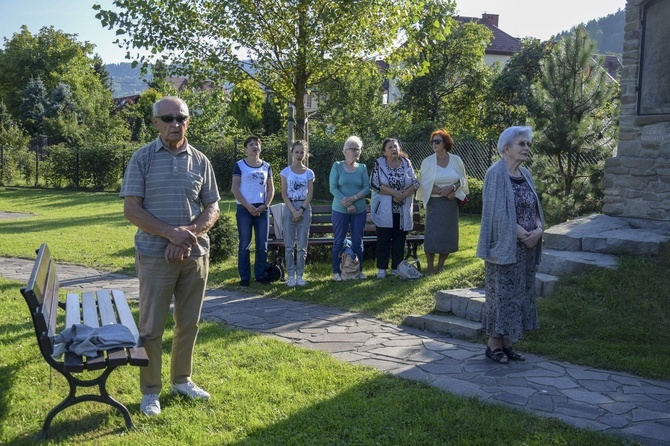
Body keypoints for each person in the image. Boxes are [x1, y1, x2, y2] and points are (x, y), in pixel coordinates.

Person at [120, 96, 221, 416]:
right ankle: (150, 391)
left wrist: (187, 234)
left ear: (188, 121)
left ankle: (182, 379)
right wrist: (169, 233)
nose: (175, 124)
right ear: (155, 123)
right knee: (150, 327)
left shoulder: (201, 161)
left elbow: (212, 207)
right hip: (154, 256)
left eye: (180, 118)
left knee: (188, 324)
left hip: (194, 256)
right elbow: (131, 209)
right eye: (167, 118)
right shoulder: (142, 158)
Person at [476, 125, 545, 364]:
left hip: (526, 247)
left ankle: (507, 343)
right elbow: (494, 214)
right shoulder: (495, 173)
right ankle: (493, 343)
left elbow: (535, 207)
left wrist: (538, 230)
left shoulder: (525, 174)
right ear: (506, 149)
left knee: (518, 295)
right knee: (501, 295)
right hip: (504, 247)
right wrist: (520, 233)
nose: (526, 148)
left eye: (528, 144)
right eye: (521, 144)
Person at [417, 129, 469, 275]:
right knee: (432, 235)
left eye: (437, 141)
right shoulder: (427, 162)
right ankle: (430, 267)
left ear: (445, 143)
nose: (434, 144)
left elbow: (462, 180)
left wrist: (452, 189)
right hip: (434, 203)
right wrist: (443, 192)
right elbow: (424, 184)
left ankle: (440, 266)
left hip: (450, 204)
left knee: (448, 235)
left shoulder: (456, 160)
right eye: (432, 141)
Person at [370, 138, 419, 278]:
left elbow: (415, 183)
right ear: (384, 152)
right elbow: (375, 184)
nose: (393, 149)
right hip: (384, 209)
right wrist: (395, 193)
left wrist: (403, 195)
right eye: (390, 147)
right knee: (383, 239)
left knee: (399, 239)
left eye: (395, 146)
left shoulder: (406, 163)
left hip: (402, 209)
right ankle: (382, 269)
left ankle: (397, 268)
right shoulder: (379, 164)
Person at [231, 135, 275, 287]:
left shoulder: (266, 166)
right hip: (244, 208)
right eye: (251, 144)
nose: (254, 146)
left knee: (262, 244)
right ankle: (244, 277)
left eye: (257, 144)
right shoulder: (240, 165)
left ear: (260, 147)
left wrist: (265, 205)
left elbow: (271, 189)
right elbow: (235, 188)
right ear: (245, 149)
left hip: (262, 209)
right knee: (245, 244)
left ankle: (260, 275)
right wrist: (248, 206)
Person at [329, 135, 370, 281]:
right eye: (352, 149)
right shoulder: (337, 166)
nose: (356, 152)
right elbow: (333, 188)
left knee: (358, 241)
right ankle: (336, 271)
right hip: (340, 209)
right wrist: (346, 202)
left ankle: (358, 270)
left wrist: (353, 199)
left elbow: (367, 188)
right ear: (345, 151)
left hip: (359, 210)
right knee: (339, 240)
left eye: (358, 149)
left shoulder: (363, 168)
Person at [280, 140, 315, 287]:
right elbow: (283, 193)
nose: (299, 155)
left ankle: (300, 275)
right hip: (289, 208)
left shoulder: (309, 173)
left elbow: (310, 194)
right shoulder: (285, 172)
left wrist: (301, 210)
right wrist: (293, 210)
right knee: (289, 245)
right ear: (292, 153)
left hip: (304, 208)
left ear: (305, 153)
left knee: (302, 245)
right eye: (297, 152)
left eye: (302, 152)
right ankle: (290, 276)